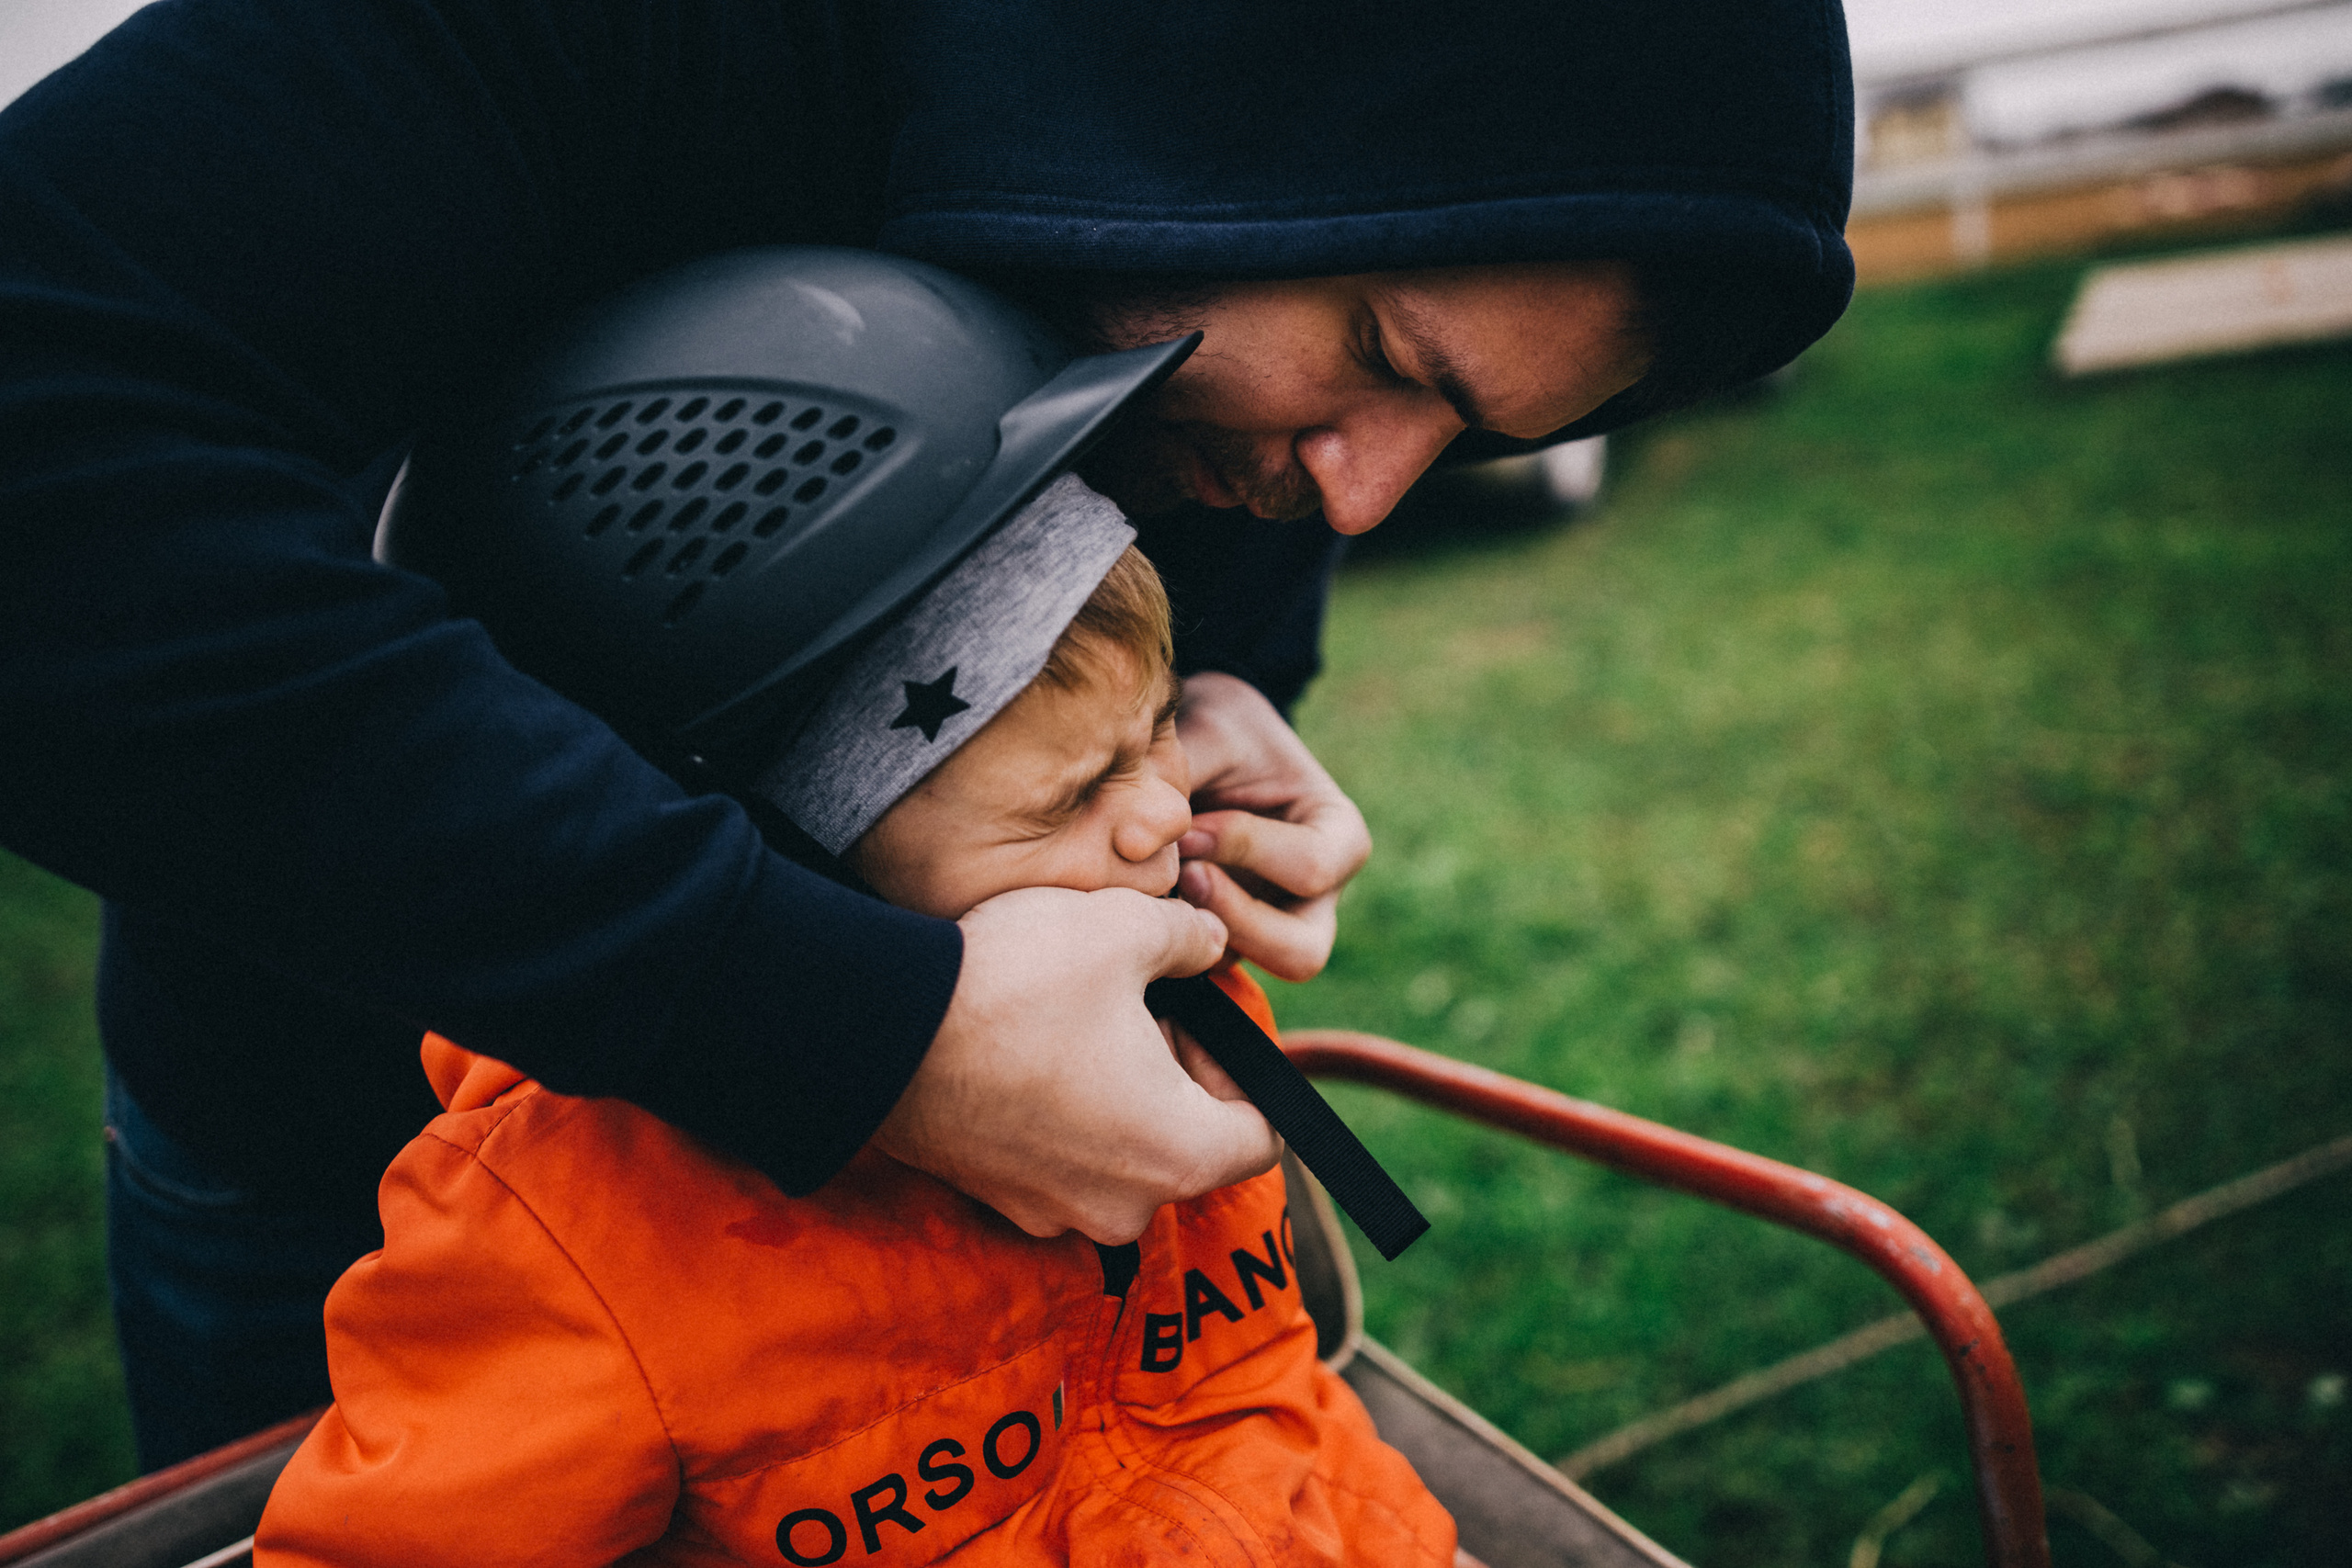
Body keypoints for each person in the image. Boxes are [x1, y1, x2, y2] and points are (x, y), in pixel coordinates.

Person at [0, 0, 1856, 1467]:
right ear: (1229, 98)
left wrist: (1210, 695)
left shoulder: (1213, 293)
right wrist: (833, 1024)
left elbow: (1202, 481)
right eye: (1381, 347)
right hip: (352, 1171)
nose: (1367, 500)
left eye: (1465, 438)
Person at [254, 473, 1464, 1567]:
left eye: (1156, 729)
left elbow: (1256, 1383)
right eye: (1071, 799)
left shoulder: (1176, 998)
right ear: (818, 878)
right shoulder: (584, 1231)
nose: (1159, 816)